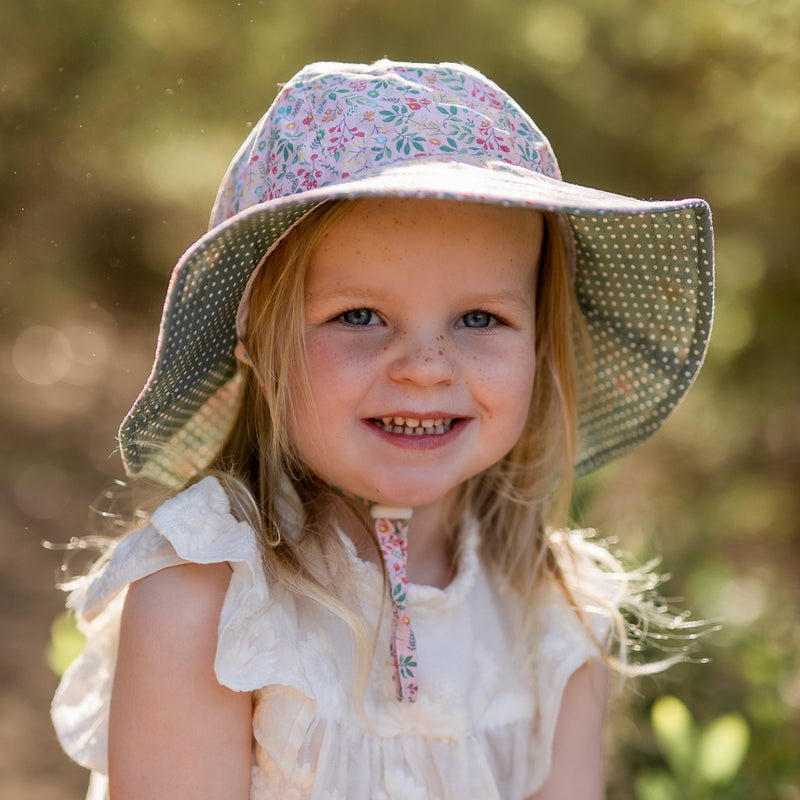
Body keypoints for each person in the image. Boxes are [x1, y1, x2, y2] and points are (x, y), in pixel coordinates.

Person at [51, 59, 714, 800]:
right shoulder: (209, 605)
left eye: (480, 318)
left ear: (540, 347)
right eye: (359, 316)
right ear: (259, 350)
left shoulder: (555, 619)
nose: (426, 368)